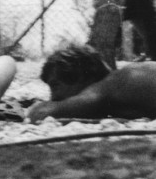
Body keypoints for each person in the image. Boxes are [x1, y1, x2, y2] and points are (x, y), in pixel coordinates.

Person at [28, 42, 156, 120]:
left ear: (83, 77)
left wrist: (43, 108)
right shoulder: (121, 85)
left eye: (55, 86)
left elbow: (43, 112)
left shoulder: (112, 84)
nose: (53, 97)